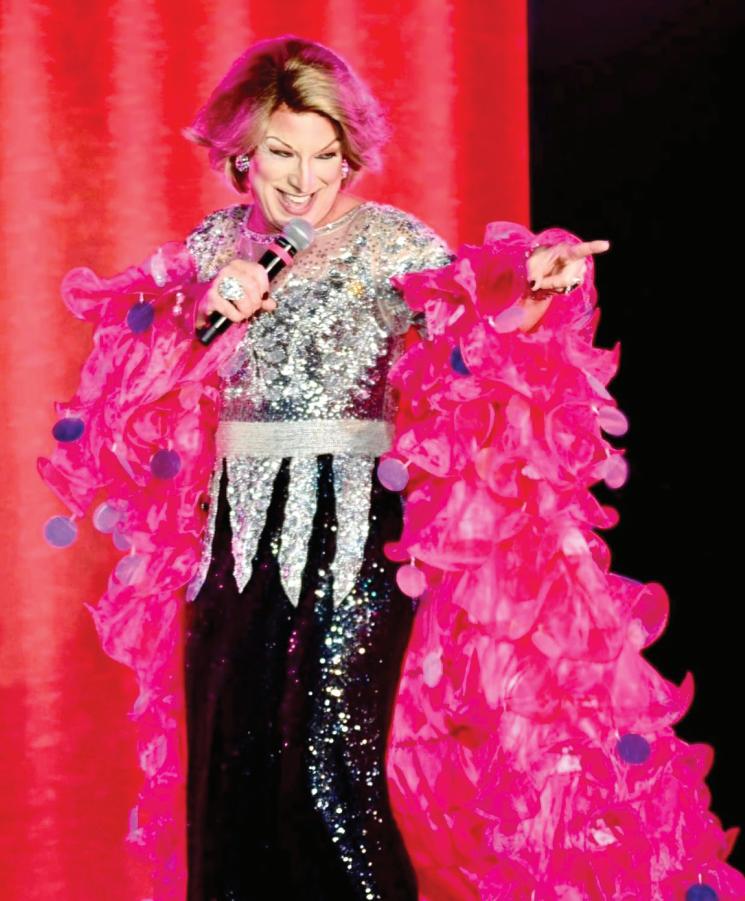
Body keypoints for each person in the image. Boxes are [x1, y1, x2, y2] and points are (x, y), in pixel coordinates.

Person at [40, 34, 743, 901]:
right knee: (234, 771)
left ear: (350, 153)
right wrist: (200, 307)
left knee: (326, 769)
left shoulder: (390, 243)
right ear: (242, 153)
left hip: (355, 536)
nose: (304, 179)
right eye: (282, 154)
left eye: (324, 155)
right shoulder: (217, 245)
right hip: (234, 544)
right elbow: (146, 384)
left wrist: (530, 290)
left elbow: (468, 331)